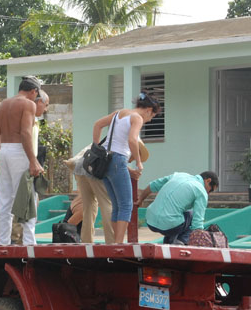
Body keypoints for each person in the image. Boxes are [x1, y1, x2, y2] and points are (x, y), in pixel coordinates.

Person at [91, 92, 160, 244]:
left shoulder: (119, 113)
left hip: (106, 161)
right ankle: (119, 244)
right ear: (149, 110)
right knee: (126, 205)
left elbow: (98, 125)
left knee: (117, 205)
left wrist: (97, 148)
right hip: (118, 160)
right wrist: (139, 162)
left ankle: (116, 242)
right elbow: (132, 140)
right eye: (152, 116)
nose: (149, 120)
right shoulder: (137, 118)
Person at [0, 75, 44, 246]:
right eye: (36, 96)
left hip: (4, 150)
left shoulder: (4, 104)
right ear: (33, 91)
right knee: (27, 196)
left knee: (5, 200)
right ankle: (30, 242)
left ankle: (3, 242)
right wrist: (33, 160)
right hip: (19, 151)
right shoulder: (28, 104)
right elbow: (25, 133)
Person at [137, 171, 219, 244]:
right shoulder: (201, 191)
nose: (208, 193)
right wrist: (200, 240)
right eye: (210, 190)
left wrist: (140, 199)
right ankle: (181, 241)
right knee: (190, 214)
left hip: (150, 220)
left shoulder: (178, 175)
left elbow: (153, 185)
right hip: (170, 225)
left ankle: (170, 243)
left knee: (177, 214)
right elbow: (197, 223)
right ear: (208, 180)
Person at [66, 145, 115, 244]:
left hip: (80, 166)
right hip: (93, 168)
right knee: (106, 203)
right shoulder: (122, 145)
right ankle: (111, 242)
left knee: (88, 206)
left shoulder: (105, 140)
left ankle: (87, 241)